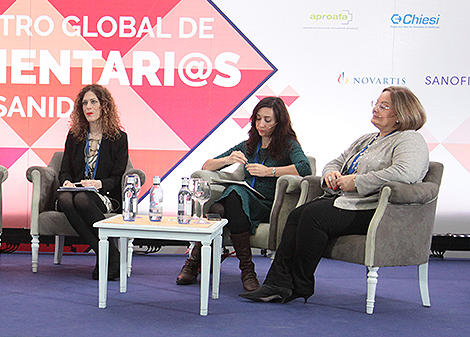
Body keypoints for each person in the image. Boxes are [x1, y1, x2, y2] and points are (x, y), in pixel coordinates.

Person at [240, 86, 429, 303]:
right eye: (376, 103)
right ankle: (277, 284)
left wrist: (356, 181)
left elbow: (406, 172)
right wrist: (331, 174)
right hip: (349, 201)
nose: (376, 109)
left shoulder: (409, 139)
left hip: (377, 208)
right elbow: (336, 161)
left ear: (402, 113)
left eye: (383, 106)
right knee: (297, 215)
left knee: (313, 217)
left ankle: (298, 285)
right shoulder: (368, 139)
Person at [177, 97, 312, 291]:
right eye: (257, 119)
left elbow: (305, 168)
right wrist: (228, 159)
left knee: (227, 200)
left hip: (266, 204)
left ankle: (193, 263)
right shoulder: (249, 145)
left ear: (279, 122)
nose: (261, 124)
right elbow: (207, 165)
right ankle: (247, 270)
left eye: (267, 120)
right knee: (223, 204)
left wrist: (270, 172)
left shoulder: (288, 145)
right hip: (242, 201)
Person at [57, 84, 128, 281]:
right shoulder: (74, 136)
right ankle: (109, 253)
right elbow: (64, 170)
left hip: (102, 195)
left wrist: (100, 184)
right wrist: (67, 181)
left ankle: (106, 254)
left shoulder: (119, 138)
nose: (88, 107)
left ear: (104, 106)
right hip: (74, 191)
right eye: (84, 103)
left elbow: (117, 176)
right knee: (65, 198)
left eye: (93, 102)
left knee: (82, 199)